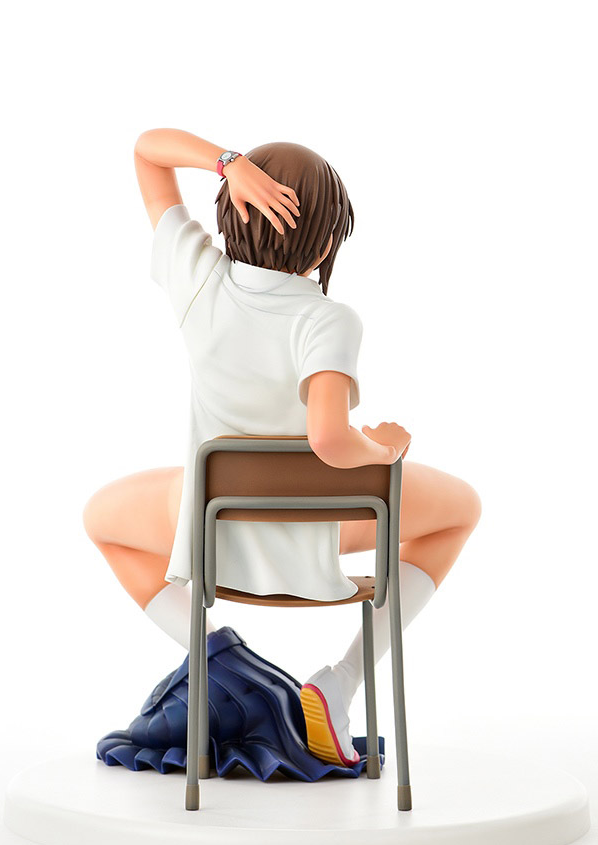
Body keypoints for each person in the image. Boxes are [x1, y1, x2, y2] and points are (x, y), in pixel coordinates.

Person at [82, 129, 482, 767]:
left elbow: (147, 151)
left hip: (208, 528)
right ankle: (342, 680)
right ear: (325, 244)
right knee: (461, 510)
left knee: (102, 519)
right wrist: (382, 447)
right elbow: (329, 439)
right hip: (310, 531)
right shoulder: (328, 319)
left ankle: (222, 656)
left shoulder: (196, 277)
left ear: (232, 211)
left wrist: (227, 164)